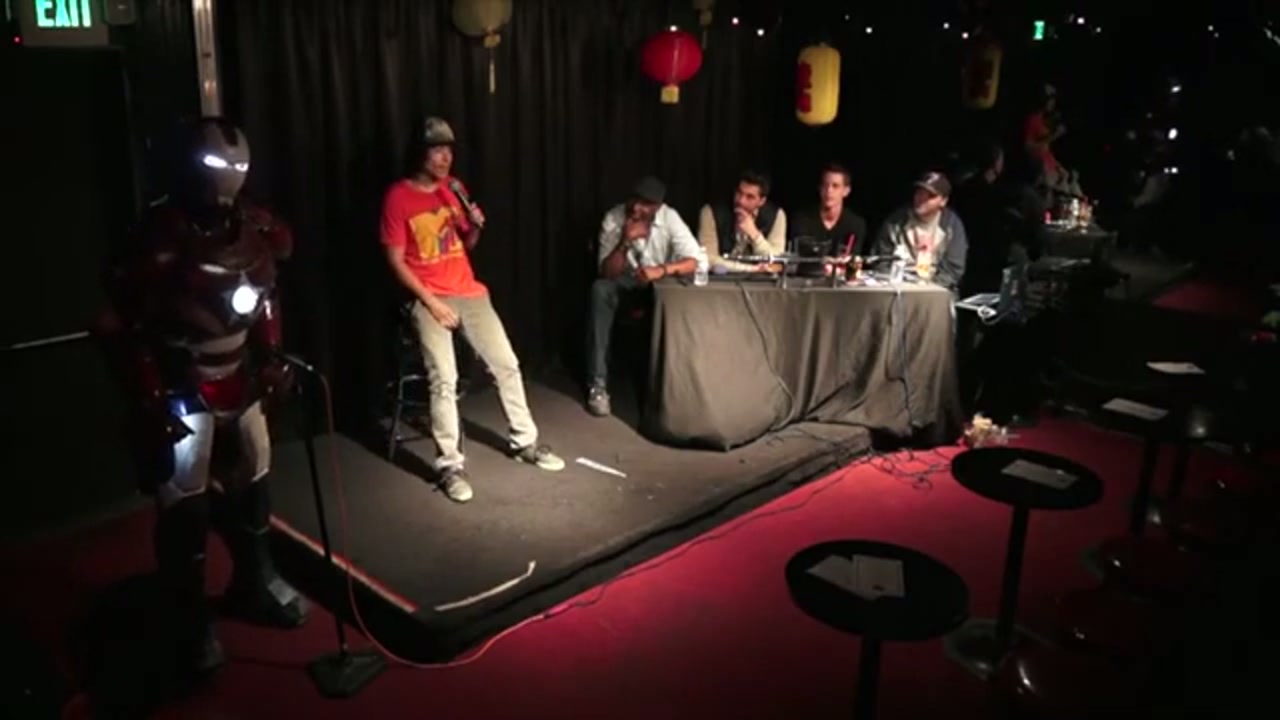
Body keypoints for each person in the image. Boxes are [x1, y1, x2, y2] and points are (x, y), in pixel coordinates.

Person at [92, 117, 309, 686]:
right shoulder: (158, 237)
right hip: (181, 383)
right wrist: (148, 397)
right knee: (185, 503)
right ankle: (187, 617)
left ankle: (253, 579)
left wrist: (271, 355)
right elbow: (118, 324)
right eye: (217, 166)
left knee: (255, 477)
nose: (228, 178)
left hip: (240, 373)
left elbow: (265, 294)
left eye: (237, 166)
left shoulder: (257, 225)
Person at [380, 117, 564, 503]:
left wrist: (476, 226)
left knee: (506, 364)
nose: (445, 157)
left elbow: (467, 244)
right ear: (420, 154)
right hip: (427, 296)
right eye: (437, 150)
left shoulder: (454, 189)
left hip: (469, 291)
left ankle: (525, 442)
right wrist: (432, 303)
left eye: (449, 150)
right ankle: (449, 466)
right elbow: (395, 261)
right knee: (443, 378)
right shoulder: (398, 197)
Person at [587, 176, 703, 417]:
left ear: (657, 207)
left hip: (659, 286)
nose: (637, 208)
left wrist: (661, 270)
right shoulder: (614, 218)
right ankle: (598, 386)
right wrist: (625, 241)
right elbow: (606, 273)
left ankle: (672, 390)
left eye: (646, 204)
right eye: (635, 200)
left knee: (677, 297)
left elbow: (695, 261)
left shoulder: (669, 218)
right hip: (625, 283)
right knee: (600, 290)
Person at [871, 171, 968, 293]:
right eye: (919, 193)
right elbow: (881, 259)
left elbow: (953, 270)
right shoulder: (896, 221)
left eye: (930, 196)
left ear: (943, 201)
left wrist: (927, 289)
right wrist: (897, 285)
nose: (922, 199)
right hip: (897, 288)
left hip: (936, 290)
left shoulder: (951, 225)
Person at [697, 170, 787, 272]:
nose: (741, 201)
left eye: (750, 197)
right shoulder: (711, 212)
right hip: (721, 278)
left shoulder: (776, 215)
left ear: (762, 201)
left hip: (761, 280)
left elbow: (778, 261)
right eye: (739, 193)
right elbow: (708, 259)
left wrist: (755, 235)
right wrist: (752, 269)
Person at [787, 163, 869, 258]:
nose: (829, 191)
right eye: (825, 185)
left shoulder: (856, 224)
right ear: (819, 188)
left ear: (846, 191)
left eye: (835, 186)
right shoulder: (802, 219)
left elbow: (853, 258)